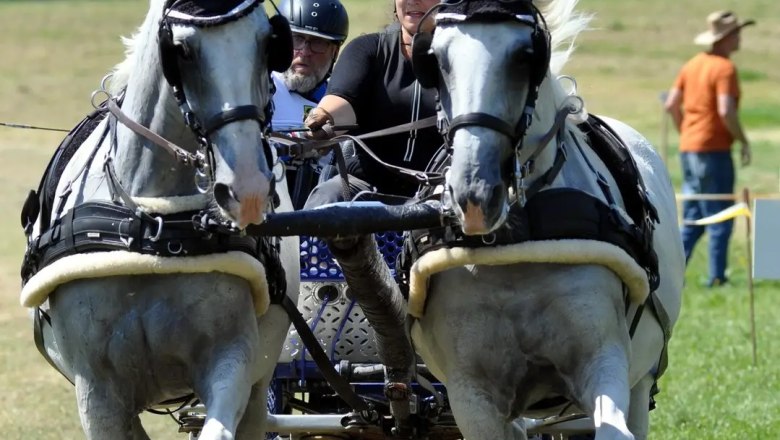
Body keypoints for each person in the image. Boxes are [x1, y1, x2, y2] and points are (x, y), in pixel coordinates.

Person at [302, 0, 442, 433]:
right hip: (366, 188)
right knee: (326, 200)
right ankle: (310, 318)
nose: (414, 2)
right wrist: (324, 117)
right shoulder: (369, 50)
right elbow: (343, 100)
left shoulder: (462, 55)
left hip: (437, 193)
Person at [664, 10, 754, 287]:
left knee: (692, 216)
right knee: (720, 215)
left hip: (689, 148)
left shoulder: (692, 64)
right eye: (737, 33)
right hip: (713, 150)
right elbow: (726, 110)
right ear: (727, 38)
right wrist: (743, 140)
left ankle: (669, 273)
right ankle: (716, 277)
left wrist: (686, 132)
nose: (740, 37)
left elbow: (670, 105)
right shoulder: (725, 68)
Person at [271, 0, 349, 207]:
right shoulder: (257, 87)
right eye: (297, 39)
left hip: (317, 221)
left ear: (335, 52)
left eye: (318, 42)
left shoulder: (342, 98)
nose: (305, 52)